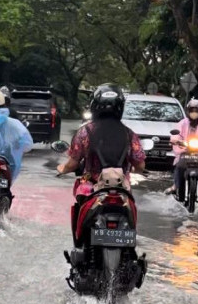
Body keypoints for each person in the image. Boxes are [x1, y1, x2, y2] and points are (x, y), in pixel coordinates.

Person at [56, 83, 146, 240]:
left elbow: (73, 163)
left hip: (91, 186)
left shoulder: (85, 132)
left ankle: (80, 241)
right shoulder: (129, 134)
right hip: (121, 188)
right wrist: (131, 170)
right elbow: (140, 165)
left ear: (94, 106)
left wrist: (62, 169)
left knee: (79, 200)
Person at [166, 98, 198, 198]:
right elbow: (176, 134)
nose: (194, 113)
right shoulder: (182, 123)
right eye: (192, 110)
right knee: (179, 167)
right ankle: (176, 186)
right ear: (188, 111)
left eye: (196, 110)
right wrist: (175, 140)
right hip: (184, 150)